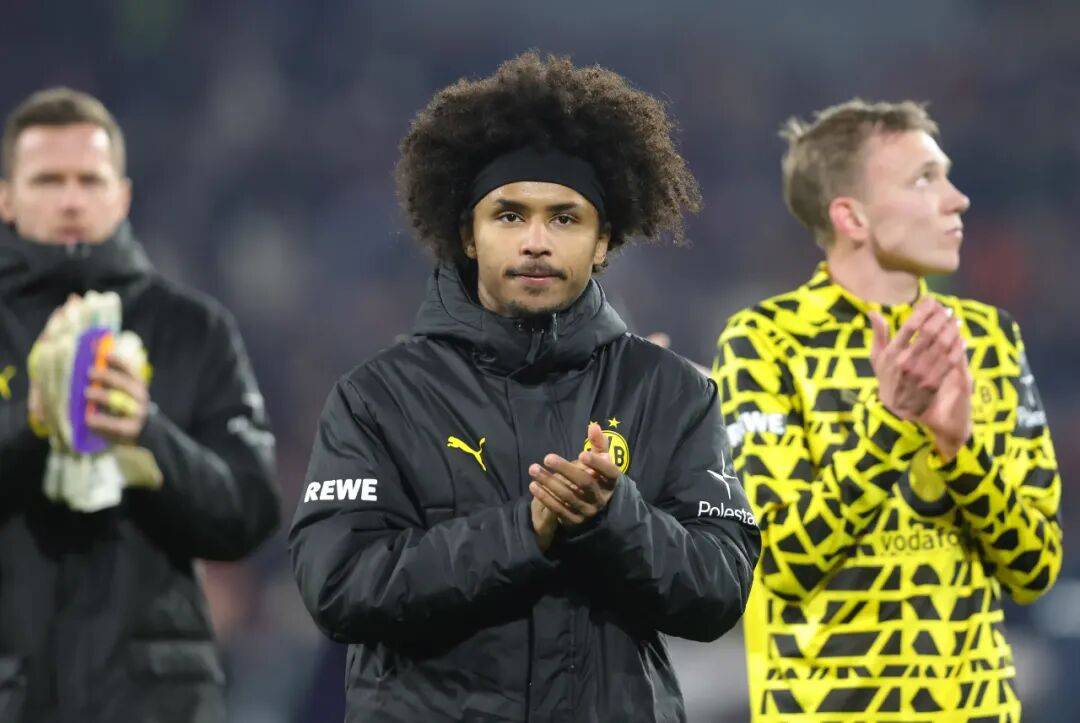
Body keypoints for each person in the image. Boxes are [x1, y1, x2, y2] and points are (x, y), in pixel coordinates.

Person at [289, 52, 760, 723]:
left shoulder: (671, 392)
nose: (536, 241)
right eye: (509, 216)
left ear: (604, 241)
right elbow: (339, 586)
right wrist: (524, 532)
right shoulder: (377, 399)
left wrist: (614, 519)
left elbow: (719, 590)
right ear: (467, 235)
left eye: (564, 218)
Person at [712, 99, 1061, 722]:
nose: (958, 200)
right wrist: (893, 424)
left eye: (947, 176)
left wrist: (958, 453)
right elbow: (782, 565)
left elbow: (1034, 571)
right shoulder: (764, 341)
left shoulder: (988, 339)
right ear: (851, 216)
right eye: (924, 180)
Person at [0, 87, 280, 722]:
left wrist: (148, 436)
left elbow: (249, 512)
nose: (71, 200)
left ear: (121, 196)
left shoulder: (193, 329)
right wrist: (31, 425)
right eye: (48, 180)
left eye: (89, 180)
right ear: (7, 198)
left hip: (155, 701)